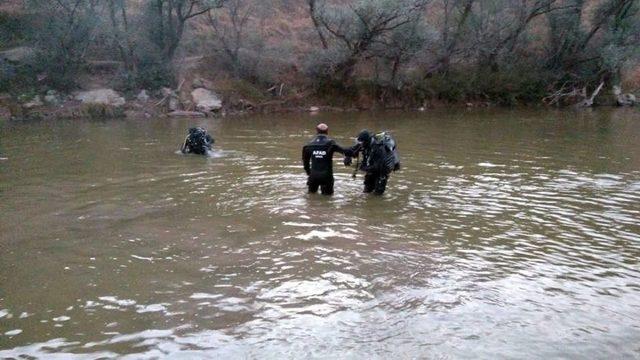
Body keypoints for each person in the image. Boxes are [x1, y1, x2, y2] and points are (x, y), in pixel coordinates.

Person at [344, 129, 400, 195]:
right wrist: (348, 156)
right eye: (359, 142)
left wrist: (361, 167)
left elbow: (377, 167)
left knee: (378, 193)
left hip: (383, 168)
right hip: (372, 165)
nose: (360, 145)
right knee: (367, 190)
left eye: (361, 143)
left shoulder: (379, 148)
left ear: (366, 141)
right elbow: (352, 149)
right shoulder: (363, 143)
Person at [302, 123, 347, 195]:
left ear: (316, 131)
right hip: (326, 176)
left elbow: (305, 163)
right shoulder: (331, 143)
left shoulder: (308, 145)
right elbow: (344, 151)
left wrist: (309, 174)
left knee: (311, 198)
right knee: (328, 199)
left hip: (313, 176)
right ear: (327, 131)